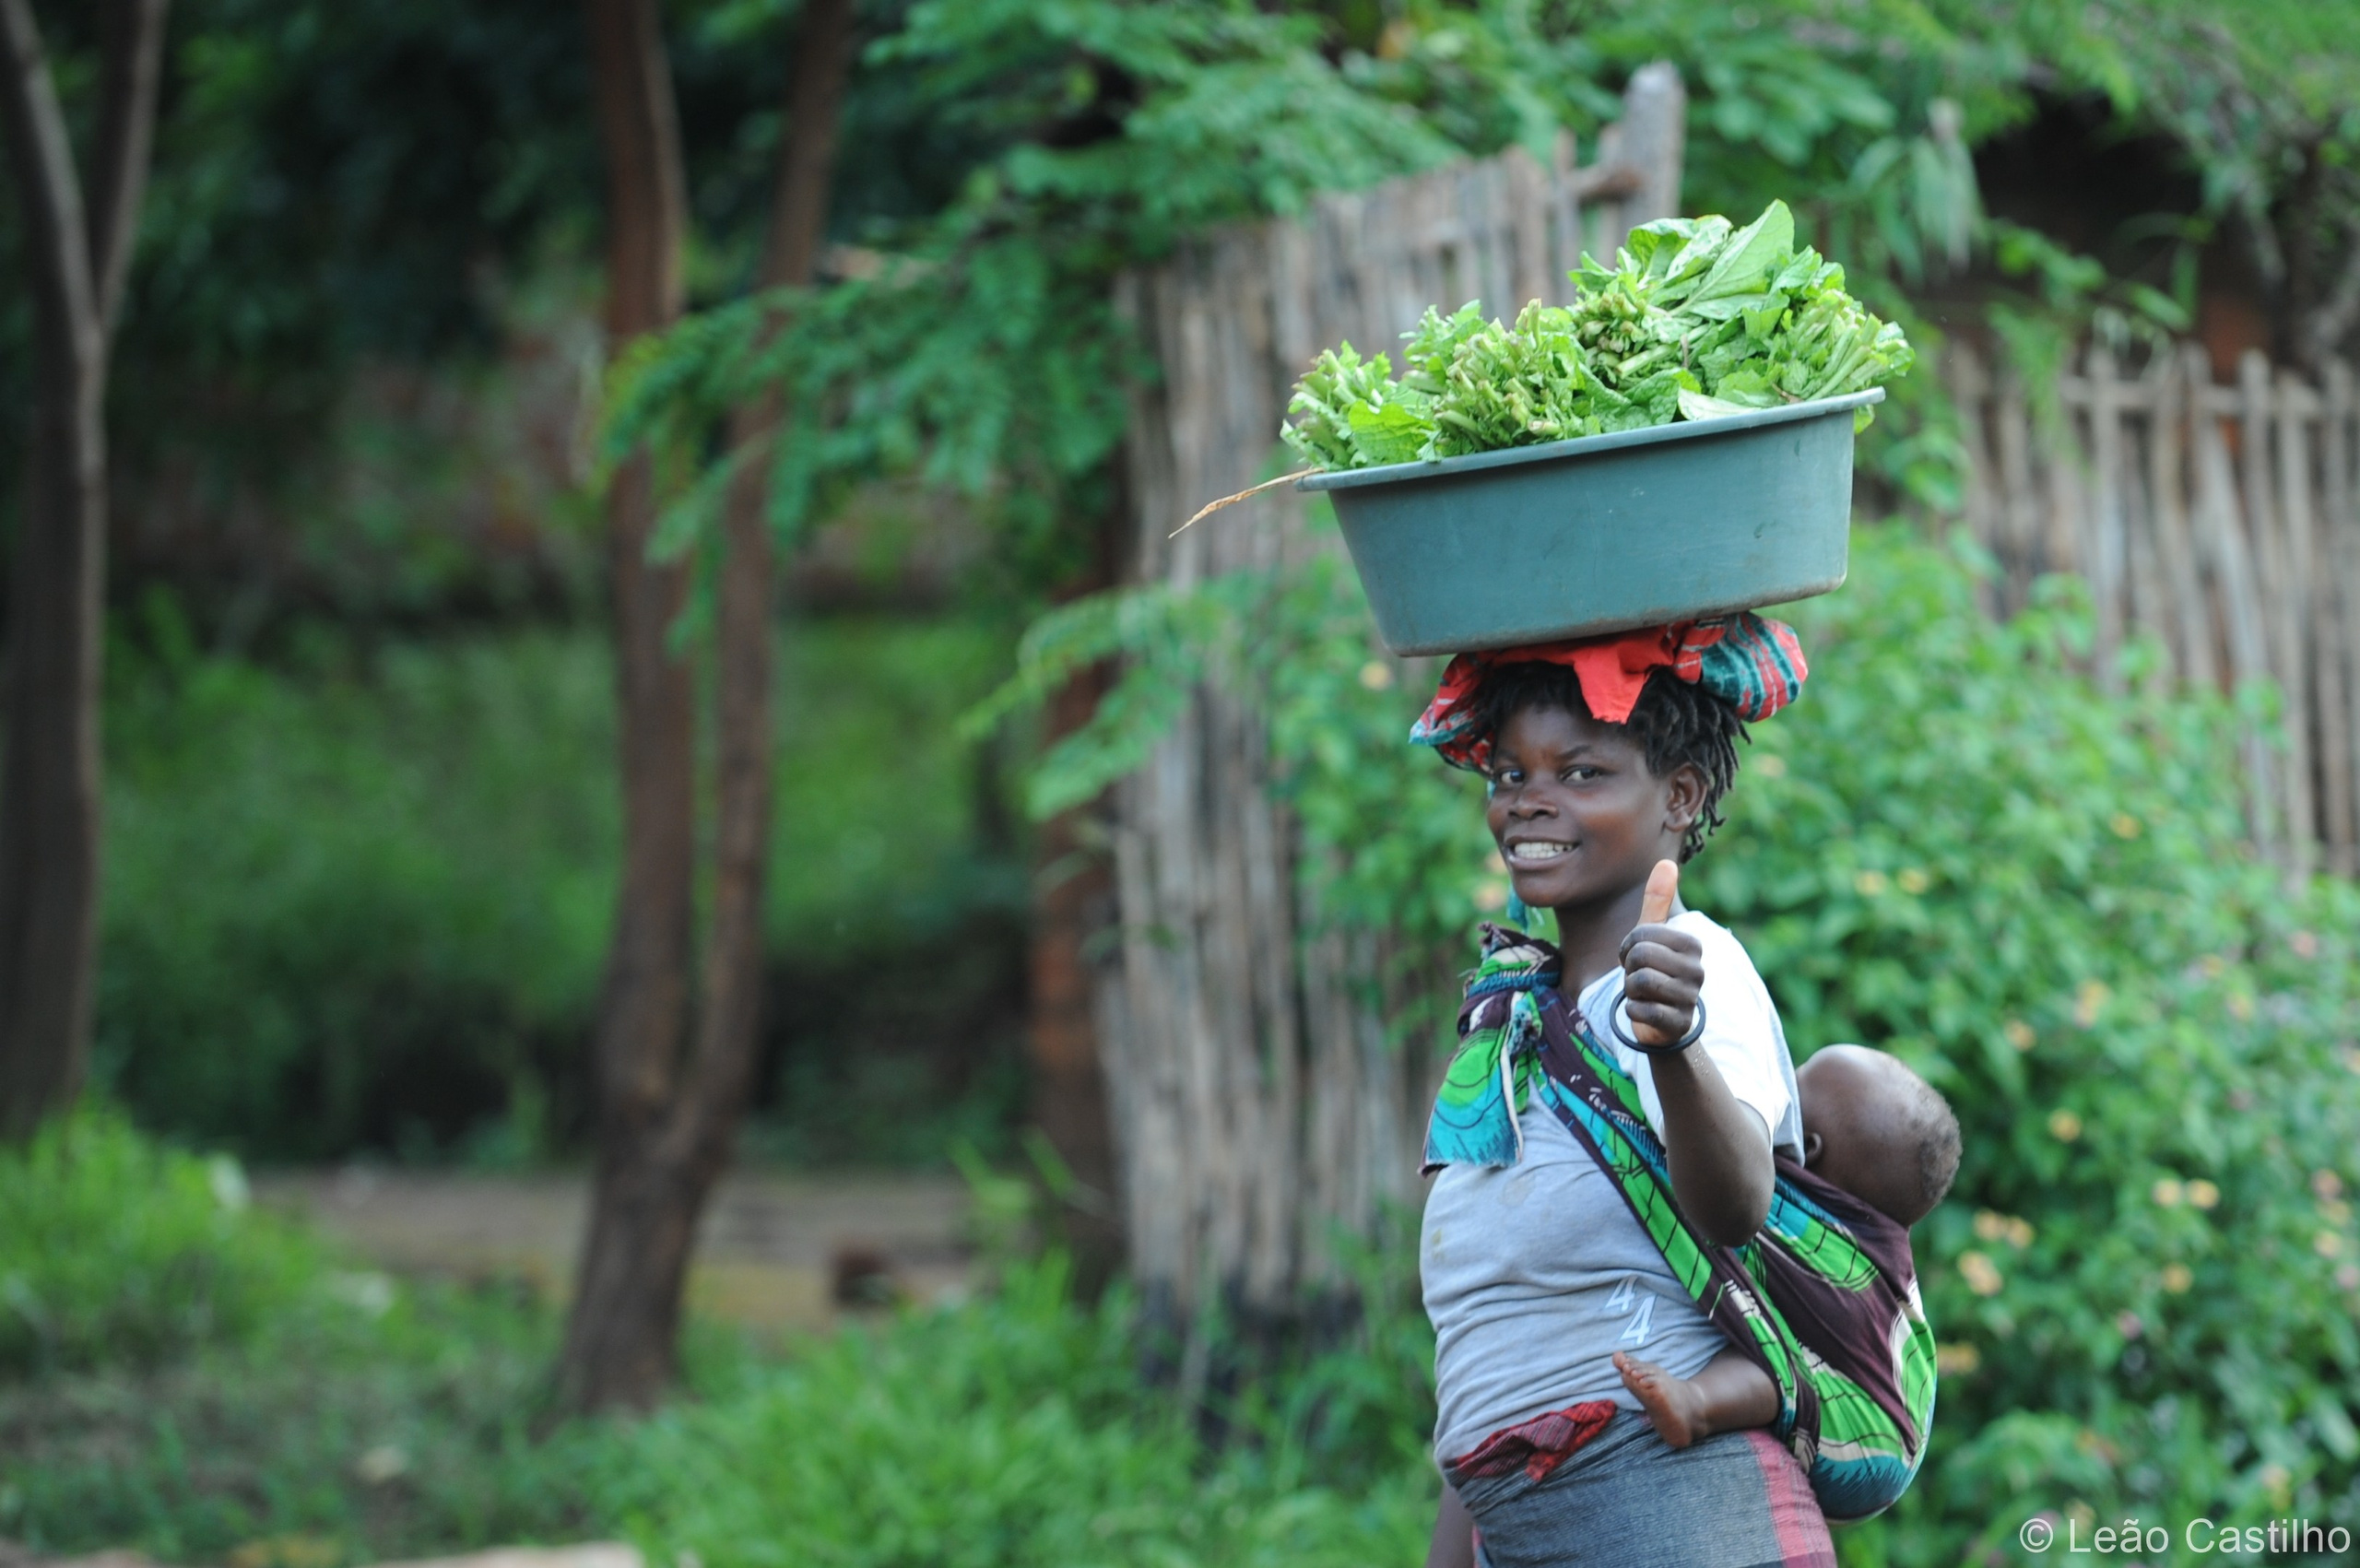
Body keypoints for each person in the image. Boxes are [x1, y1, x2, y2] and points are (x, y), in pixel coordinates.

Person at [1414, 615, 1836, 1568]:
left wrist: (1676, 1045)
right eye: (1510, 775)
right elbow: (1494, 1334)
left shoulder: (1697, 973)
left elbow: (1734, 1207)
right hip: (1522, 1517)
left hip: (1676, 1509)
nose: (1528, 802)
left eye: (1581, 773)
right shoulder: (1513, 1019)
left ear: (1678, 796)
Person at [1611, 1043, 1961, 1452]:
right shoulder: (1849, 1233)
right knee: (1776, 1347)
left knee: (1780, 1369)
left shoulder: (1844, 1263)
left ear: (1808, 1148)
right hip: (1879, 1413)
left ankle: (1698, 1403)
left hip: (1867, 1425)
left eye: (1793, 1083)